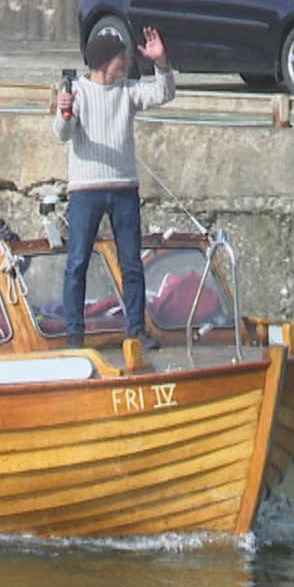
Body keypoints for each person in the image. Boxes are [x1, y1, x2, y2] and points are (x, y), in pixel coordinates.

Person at [54, 25, 175, 349]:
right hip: (85, 190)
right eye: (121, 55)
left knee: (131, 262)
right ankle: (74, 335)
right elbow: (62, 133)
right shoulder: (77, 90)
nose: (127, 59)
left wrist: (161, 64)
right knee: (77, 261)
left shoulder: (127, 91)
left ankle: (136, 330)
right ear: (107, 61)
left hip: (124, 188)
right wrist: (64, 108)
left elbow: (163, 94)